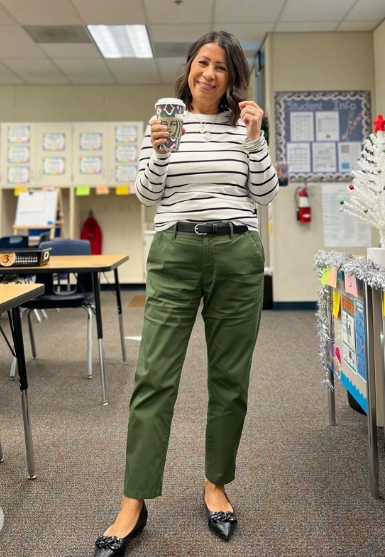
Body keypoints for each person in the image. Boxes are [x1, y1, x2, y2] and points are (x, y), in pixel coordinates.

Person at [93, 30, 278, 557]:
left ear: (232, 76)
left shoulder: (244, 127)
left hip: (238, 252)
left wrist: (257, 136)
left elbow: (265, 194)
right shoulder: (164, 126)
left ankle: (216, 484)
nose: (210, 73)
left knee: (229, 379)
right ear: (189, 68)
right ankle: (134, 501)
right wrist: (157, 150)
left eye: (222, 66)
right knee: (154, 377)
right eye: (203, 62)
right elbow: (147, 195)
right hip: (175, 250)